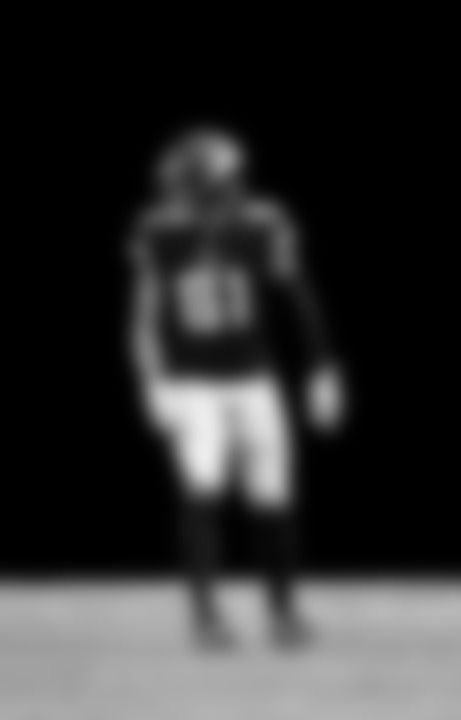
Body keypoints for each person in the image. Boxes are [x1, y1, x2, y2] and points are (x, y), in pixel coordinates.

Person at [126, 127, 345, 649]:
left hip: (254, 380)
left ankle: (282, 614)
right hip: (193, 384)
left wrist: (322, 367)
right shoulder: (161, 230)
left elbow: (296, 293)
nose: (179, 193)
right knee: (201, 491)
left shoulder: (263, 223)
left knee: (274, 496)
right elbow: (144, 316)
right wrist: (152, 382)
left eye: (189, 182)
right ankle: (207, 619)